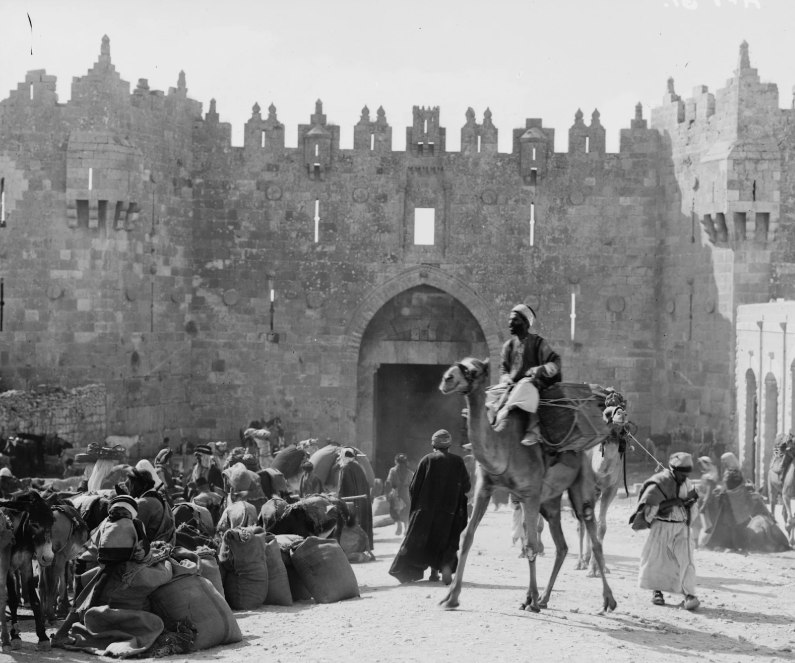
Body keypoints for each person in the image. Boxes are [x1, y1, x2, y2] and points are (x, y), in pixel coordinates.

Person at [389, 430, 471, 585]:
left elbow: (414, 487)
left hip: (426, 510)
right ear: (449, 445)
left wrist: (417, 507)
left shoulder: (426, 460)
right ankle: (441, 569)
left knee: (419, 541)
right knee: (445, 540)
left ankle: (408, 572)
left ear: (433, 444)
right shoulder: (458, 461)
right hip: (449, 512)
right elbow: (466, 486)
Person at [630, 452, 700, 610]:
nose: (684, 478)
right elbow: (650, 507)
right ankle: (657, 592)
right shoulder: (659, 483)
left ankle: (689, 594)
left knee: (686, 558)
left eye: (686, 475)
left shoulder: (688, 484)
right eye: (681, 475)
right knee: (657, 560)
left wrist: (689, 506)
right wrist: (673, 503)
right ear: (673, 470)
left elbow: (693, 504)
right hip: (662, 526)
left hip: (682, 526)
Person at [495, 303, 562, 446]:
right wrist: (506, 378)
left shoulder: (538, 343)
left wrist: (541, 369)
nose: (510, 323)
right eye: (509, 320)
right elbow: (503, 370)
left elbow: (556, 362)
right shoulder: (508, 346)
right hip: (510, 387)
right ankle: (488, 433)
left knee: (525, 385)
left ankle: (533, 429)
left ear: (526, 323)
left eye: (514, 320)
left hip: (533, 385)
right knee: (489, 393)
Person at [337, 447, 374, 553]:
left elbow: (341, 488)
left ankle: (350, 549)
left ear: (344, 457)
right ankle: (364, 547)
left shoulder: (344, 469)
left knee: (349, 525)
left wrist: (338, 501)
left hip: (350, 503)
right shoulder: (359, 467)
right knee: (361, 524)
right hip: (361, 502)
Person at [127, 467, 176, 545]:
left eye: (133, 483)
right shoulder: (156, 497)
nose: (130, 487)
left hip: (152, 547)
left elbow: (133, 533)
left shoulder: (144, 503)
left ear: (144, 485)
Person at [385, 453, 413, 535]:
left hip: (397, 493)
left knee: (395, 510)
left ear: (396, 461)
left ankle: (400, 526)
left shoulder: (393, 471)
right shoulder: (409, 472)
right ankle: (405, 527)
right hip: (404, 493)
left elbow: (388, 482)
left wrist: (387, 494)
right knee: (406, 511)